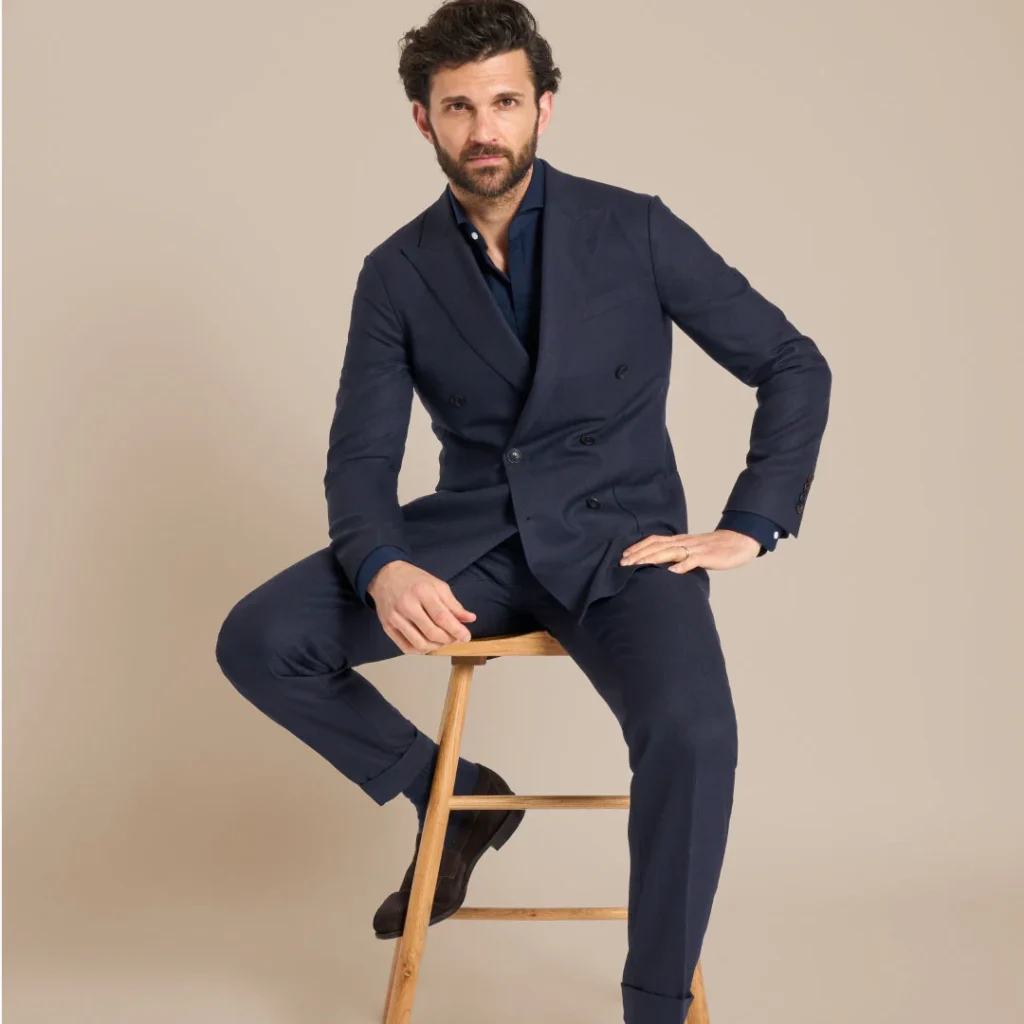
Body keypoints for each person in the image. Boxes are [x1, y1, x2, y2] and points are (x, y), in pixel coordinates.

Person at [215, 1, 831, 1020]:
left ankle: (653, 1006)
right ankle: (454, 798)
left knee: (694, 731)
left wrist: (751, 522)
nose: (483, 128)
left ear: (544, 106)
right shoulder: (396, 273)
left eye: (503, 102)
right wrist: (382, 564)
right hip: (476, 546)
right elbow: (361, 457)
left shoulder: (633, 228)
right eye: (458, 107)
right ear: (424, 120)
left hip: (622, 547)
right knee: (260, 638)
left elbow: (791, 364)